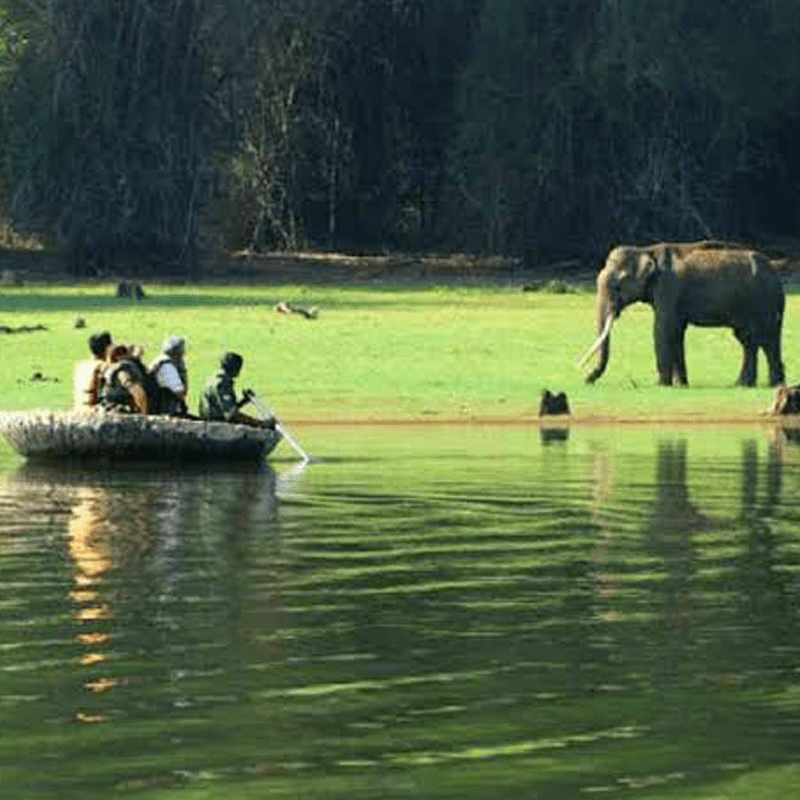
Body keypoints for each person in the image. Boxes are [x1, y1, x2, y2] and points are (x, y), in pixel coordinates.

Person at [198, 352, 274, 428]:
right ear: (234, 367)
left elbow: (226, 408)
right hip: (217, 427)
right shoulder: (223, 384)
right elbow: (231, 415)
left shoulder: (212, 379)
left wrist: (243, 401)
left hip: (209, 423)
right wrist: (260, 424)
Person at [98, 343, 149, 414]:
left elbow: (137, 391)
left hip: (123, 416)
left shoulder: (123, 371)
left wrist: (144, 416)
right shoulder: (123, 369)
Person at [148, 336, 189, 416]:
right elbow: (180, 392)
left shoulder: (162, 361)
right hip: (165, 414)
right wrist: (183, 372)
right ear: (176, 353)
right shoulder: (167, 366)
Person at [73, 331, 112, 408]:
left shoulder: (81, 366)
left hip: (78, 409)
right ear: (108, 348)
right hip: (93, 412)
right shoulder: (103, 366)